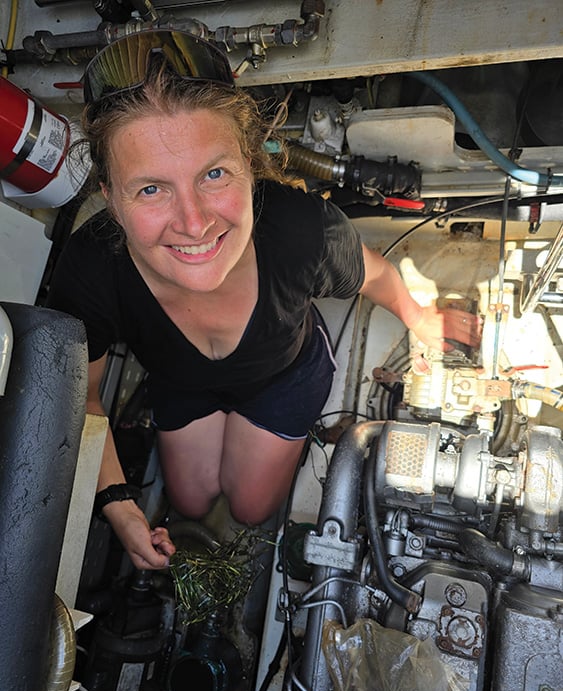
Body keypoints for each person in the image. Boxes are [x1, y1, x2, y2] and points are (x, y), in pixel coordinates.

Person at [47, 30, 481, 571]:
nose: (194, 222)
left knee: (252, 507)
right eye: (151, 189)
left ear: (250, 166)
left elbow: (374, 274)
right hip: (181, 383)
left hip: (283, 375)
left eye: (214, 173)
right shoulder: (91, 269)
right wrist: (117, 505)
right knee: (191, 500)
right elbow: (81, 399)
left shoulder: (302, 231)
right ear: (110, 197)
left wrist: (420, 317)